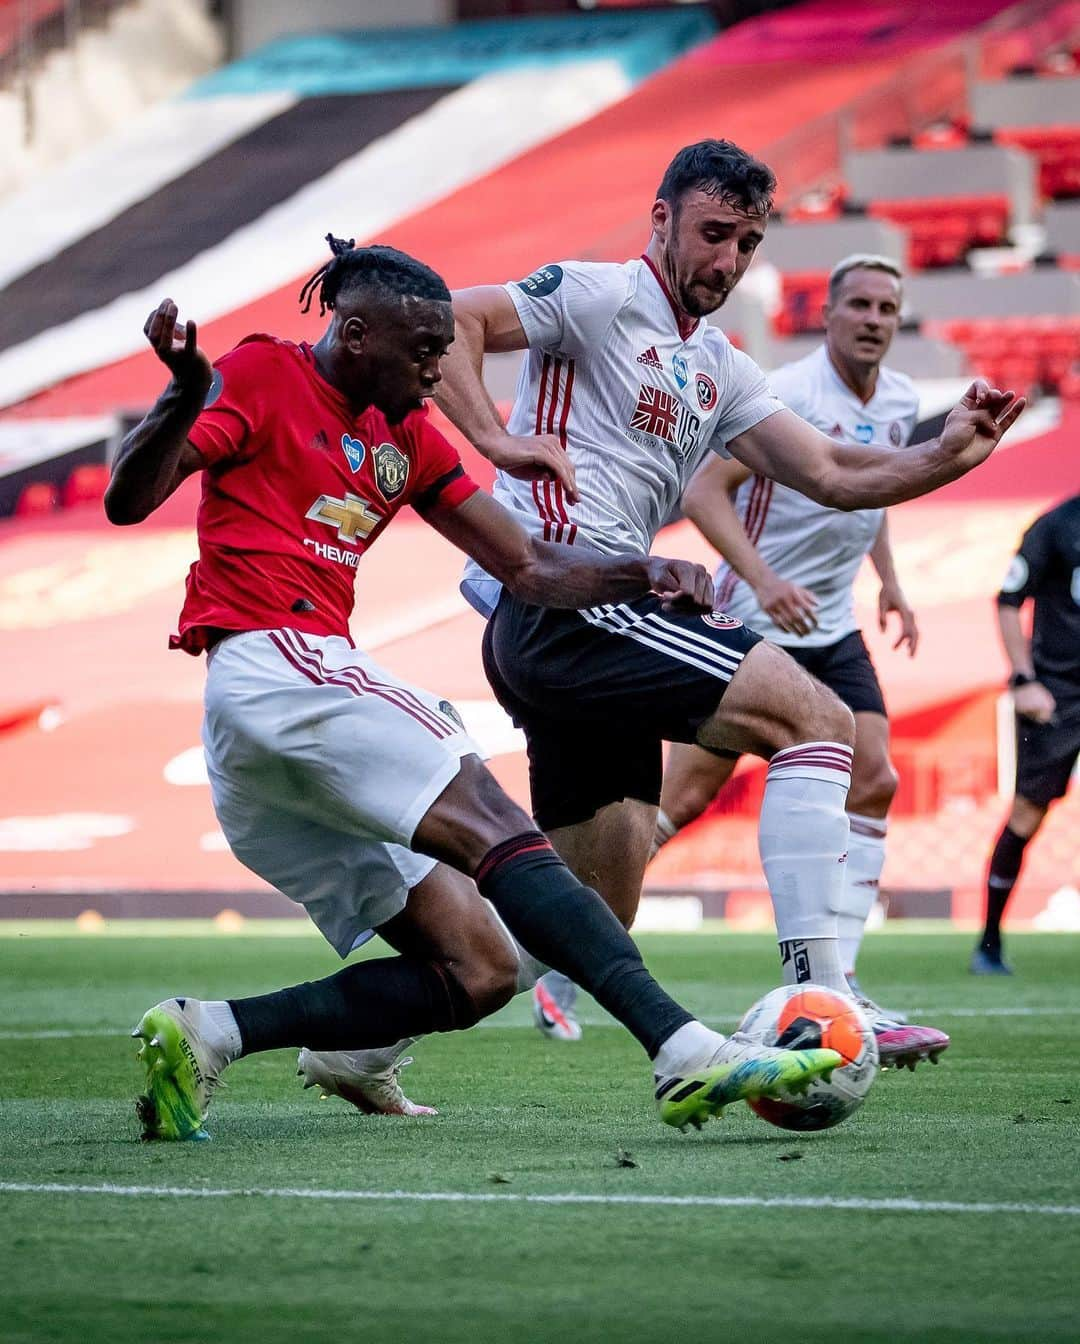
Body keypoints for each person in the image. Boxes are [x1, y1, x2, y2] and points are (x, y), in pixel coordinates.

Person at [105, 237, 840, 1141]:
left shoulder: (405, 436)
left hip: (272, 739)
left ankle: (207, 1031)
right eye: (421, 350)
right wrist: (184, 391)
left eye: (440, 349)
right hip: (275, 662)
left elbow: (526, 563)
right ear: (356, 330)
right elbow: (129, 501)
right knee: (499, 826)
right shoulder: (263, 372)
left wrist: (639, 572)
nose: (437, 367)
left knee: (478, 969)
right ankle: (685, 1053)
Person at [422, 138, 1022, 1074]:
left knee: (591, 905)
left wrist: (949, 452)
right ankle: (824, 993)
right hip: (568, 600)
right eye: (711, 234)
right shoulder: (599, 294)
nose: (728, 262)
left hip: (582, 627)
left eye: (746, 242)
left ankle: (368, 1040)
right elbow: (451, 319)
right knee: (818, 722)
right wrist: (497, 440)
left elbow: (828, 470)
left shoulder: (723, 367)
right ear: (660, 220)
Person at [656, 254, 920, 1025]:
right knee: (683, 800)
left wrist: (892, 580)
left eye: (887, 308)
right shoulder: (791, 394)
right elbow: (702, 490)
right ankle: (560, 959)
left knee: (875, 778)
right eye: (860, 305)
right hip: (755, 621)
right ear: (829, 315)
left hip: (832, 625)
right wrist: (765, 578)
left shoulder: (900, 398)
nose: (874, 319)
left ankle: (845, 989)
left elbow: (873, 491)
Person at [972, 493, 1080, 975]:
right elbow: (1009, 600)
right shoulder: (1058, 524)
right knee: (1027, 813)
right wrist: (1023, 679)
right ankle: (989, 942)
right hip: (1057, 693)